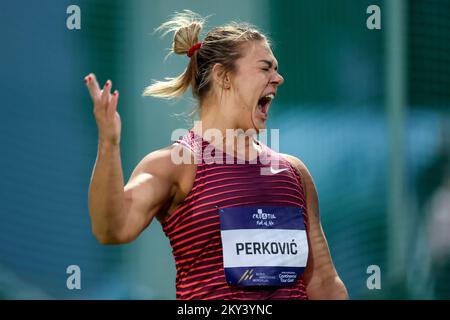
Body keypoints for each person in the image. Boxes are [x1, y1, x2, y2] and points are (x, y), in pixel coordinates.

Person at [85, 10, 348, 300]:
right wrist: (109, 145)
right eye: (265, 68)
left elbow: (324, 282)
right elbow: (112, 228)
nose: (279, 78)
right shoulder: (176, 165)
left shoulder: (293, 174)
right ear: (223, 76)